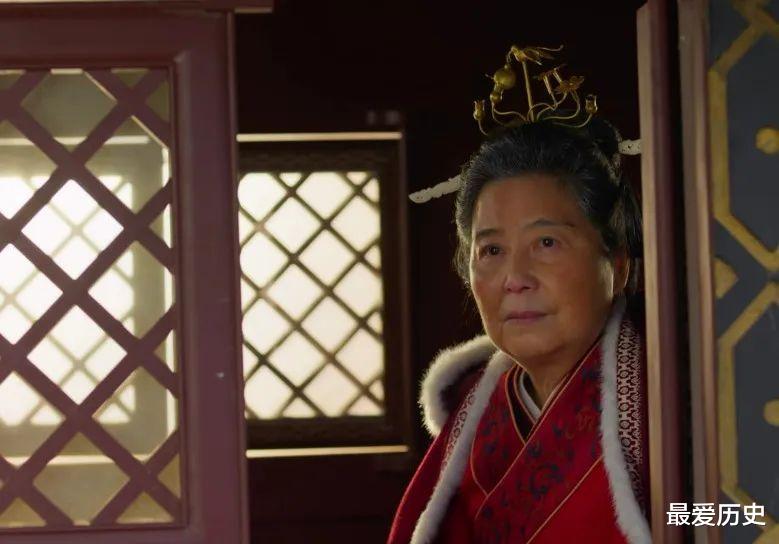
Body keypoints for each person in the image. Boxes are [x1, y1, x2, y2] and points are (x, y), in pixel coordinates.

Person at [388, 46, 652, 543]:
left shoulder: (667, 399)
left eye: (546, 243)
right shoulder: (474, 418)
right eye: (491, 250)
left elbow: (744, 514)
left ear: (617, 266)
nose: (515, 277)